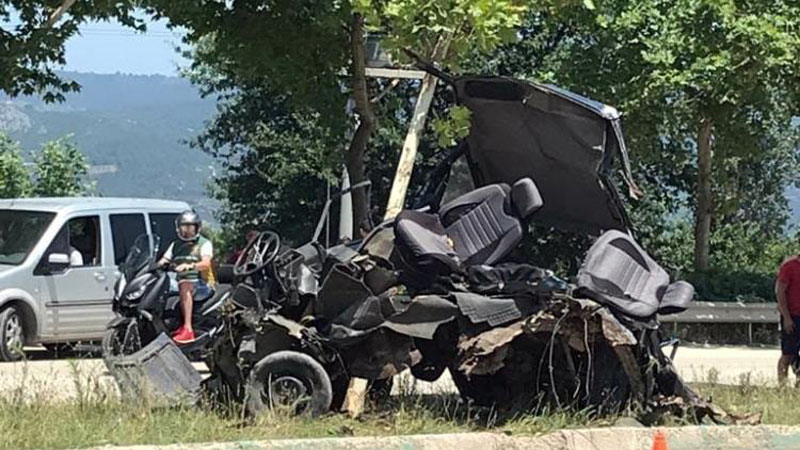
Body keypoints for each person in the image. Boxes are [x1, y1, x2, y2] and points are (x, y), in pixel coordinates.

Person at [158, 210, 216, 344]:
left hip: (202, 284)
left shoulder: (204, 243)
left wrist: (189, 266)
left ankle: (188, 329)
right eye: (184, 227)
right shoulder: (175, 244)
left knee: (185, 285)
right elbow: (164, 260)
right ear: (179, 228)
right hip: (180, 280)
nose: (187, 231)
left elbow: (206, 263)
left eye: (191, 227)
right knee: (161, 286)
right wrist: (154, 266)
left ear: (197, 228)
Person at [776, 254, 800, 385]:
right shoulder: (789, 266)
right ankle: (782, 386)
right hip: (793, 316)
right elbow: (780, 292)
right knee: (788, 353)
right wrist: (786, 318)